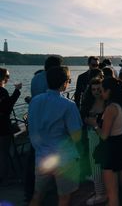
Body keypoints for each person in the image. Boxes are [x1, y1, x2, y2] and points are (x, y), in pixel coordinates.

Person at [28, 66, 82, 206]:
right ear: (65, 82)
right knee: (64, 198)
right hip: (65, 158)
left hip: (41, 156)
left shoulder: (35, 101)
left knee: (37, 196)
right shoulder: (69, 105)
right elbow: (77, 136)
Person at [25, 55, 63, 203]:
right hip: (49, 124)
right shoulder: (51, 80)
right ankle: (49, 189)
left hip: (35, 121)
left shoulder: (36, 78)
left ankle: (30, 190)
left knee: (33, 155)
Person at [93, 78, 122, 206]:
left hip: (111, 149)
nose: (101, 93)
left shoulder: (111, 108)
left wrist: (94, 125)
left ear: (108, 91)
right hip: (120, 144)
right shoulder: (120, 105)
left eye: (102, 90)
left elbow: (104, 135)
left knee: (112, 192)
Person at [80, 78, 107, 205]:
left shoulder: (108, 103)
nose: (96, 92)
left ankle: (108, 191)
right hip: (93, 136)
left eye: (98, 89)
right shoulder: (87, 103)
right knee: (95, 165)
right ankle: (99, 193)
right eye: (93, 89)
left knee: (107, 166)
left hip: (107, 137)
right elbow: (83, 118)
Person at [0, 68, 22, 186]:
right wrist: (17, 90)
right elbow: (8, 108)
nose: (8, 79)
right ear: (3, 78)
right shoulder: (2, 91)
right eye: (7, 76)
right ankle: (5, 178)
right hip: (2, 128)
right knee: (4, 153)